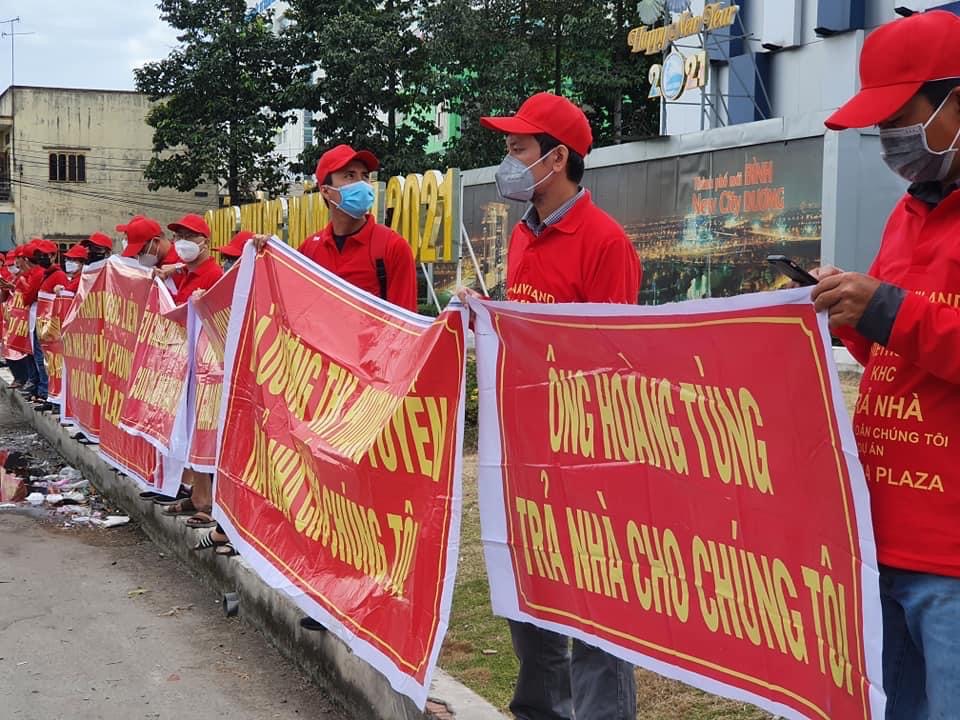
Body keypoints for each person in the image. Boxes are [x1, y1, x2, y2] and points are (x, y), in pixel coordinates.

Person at [476, 91, 641, 720]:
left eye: (518, 148)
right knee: (531, 596)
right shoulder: (524, 234)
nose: (508, 161)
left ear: (557, 158)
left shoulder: (605, 242)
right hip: (526, 449)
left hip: (586, 454)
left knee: (597, 608)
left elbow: (613, 358)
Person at [817, 11, 960, 720]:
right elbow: (892, 352)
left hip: (951, 558)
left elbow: (908, 321)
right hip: (881, 537)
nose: (888, 143)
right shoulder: (908, 213)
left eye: (901, 121)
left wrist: (889, 309)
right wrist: (850, 314)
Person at [255, 144, 417, 312]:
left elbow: (405, 324)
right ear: (326, 191)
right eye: (350, 175)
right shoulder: (309, 251)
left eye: (365, 176)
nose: (362, 184)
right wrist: (265, 253)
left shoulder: (393, 247)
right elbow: (283, 305)